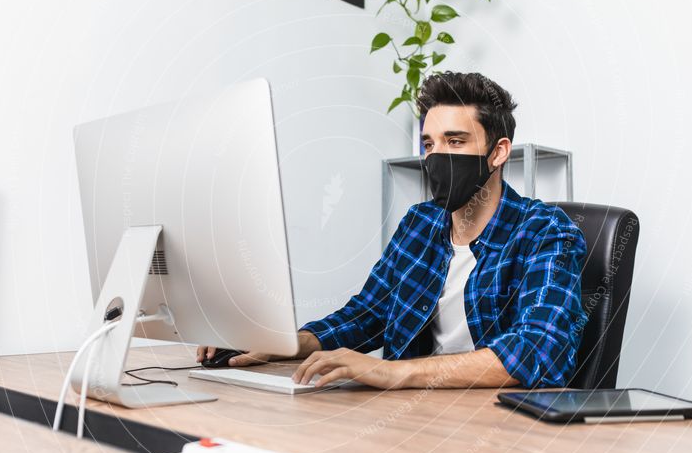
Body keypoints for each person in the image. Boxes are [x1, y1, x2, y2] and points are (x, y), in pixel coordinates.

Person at [197, 71, 588, 390]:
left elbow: (539, 349)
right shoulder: (420, 223)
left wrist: (398, 372)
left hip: (498, 429)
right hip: (410, 417)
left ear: (498, 152)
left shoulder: (546, 231)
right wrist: (281, 344)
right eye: (429, 144)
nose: (438, 156)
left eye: (456, 141)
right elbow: (368, 314)